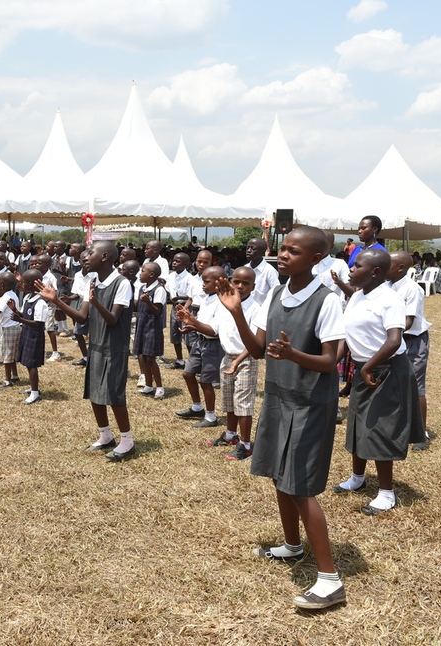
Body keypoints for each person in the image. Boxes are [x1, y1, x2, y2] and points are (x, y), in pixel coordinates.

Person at [216, 226, 347, 611]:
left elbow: (329, 361)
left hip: (309, 402)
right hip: (278, 397)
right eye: (283, 249)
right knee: (279, 473)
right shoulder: (275, 292)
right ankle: (292, 545)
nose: (284, 256)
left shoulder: (327, 301)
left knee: (300, 484)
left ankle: (330, 581)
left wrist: (293, 356)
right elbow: (257, 349)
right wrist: (237, 313)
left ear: (317, 259)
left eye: (294, 251)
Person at [334, 249, 424, 515]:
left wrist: (369, 366)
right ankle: (357, 477)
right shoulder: (357, 295)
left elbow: (394, 340)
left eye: (357, 265)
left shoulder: (390, 299)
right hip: (365, 368)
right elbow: (344, 334)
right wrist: (332, 363)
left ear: (374, 272)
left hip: (386, 369)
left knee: (380, 427)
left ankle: (386, 492)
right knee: (358, 422)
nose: (350, 269)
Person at [39, 241, 135, 462]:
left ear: (104, 257)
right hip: (97, 345)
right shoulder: (93, 281)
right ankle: (105, 435)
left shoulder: (122, 283)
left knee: (114, 395)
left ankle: (127, 441)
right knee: (95, 392)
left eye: (91, 253)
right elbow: (82, 317)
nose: (85, 257)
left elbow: (112, 320)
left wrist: (95, 302)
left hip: (114, 346)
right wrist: (57, 301)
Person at [181, 266, 260, 461]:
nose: (240, 286)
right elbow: (213, 330)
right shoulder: (224, 304)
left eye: (246, 283)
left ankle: (246, 445)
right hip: (228, 357)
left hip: (245, 359)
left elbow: (256, 344)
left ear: (254, 286)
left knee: (243, 403)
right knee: (229, 400)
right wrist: (193, 322)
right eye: (236, 282)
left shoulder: (256, 308)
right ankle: (230, 435)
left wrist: (238, 362)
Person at [387, 251, 433, 450]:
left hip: (412, 340)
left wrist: (386, 329)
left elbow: (408, 320)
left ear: (401, 268)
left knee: (416, 385)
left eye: (388, 263)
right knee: (394, 383)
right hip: (393, 340)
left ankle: (421, 432)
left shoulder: (412, 289)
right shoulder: (386, 286)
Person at [175, 266, 225, 428]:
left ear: (218, 283)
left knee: (206, 381)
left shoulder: (223, 302)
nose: (202, 284)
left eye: (206, 281)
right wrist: (192, 325)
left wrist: (193, 322)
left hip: (213, 344)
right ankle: (197, 407)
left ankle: (211, 417)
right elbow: (203, 324)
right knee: (188, 374)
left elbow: (214, 331)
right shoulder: (206, 298)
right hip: (200, 341)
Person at [13, 269, 49, 405]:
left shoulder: (40, 302)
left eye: (24, 282)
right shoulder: (28, 297)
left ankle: (35, 393)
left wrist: (20, 320)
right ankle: (33, 387)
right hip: (26, 333)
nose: (21, 284)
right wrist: (15, 311)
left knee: (32, 364)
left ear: (34, 285)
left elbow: (38, 323)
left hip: (34, 336)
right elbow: (23, 315)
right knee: (27, 362)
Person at [134, 262, 167, 400]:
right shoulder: (142, 287)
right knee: (142, 355)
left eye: (142, 271)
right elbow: (136, 306)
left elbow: (157, 311)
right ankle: (148, 385)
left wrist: (148, 302)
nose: (140, 274)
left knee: (150, 358)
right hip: (142, 324)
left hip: (152, 326)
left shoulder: (159, 290)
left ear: (151, 275)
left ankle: (159, 387)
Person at [165, 252, 195, 370]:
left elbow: (191, 296)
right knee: (175, 333)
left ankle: (192, 362)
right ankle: (179, 360)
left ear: (186, 264)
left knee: (187, 336)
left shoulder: (189, 278)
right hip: (175, 307)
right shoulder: (171, 276)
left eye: (178, 261)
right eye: (174, 260)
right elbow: (168, 289)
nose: (174, 263)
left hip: (186, 307)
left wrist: (180, 299)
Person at [69, 250, 92, 367]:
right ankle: (85, 357)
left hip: (93, 305)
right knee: (78, 332)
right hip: (82, 305)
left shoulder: (96, 275)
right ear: (80, 261)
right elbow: (76, 294)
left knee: (94, 334)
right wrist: (68, 298)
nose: (86, 263)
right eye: (84, 261)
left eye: (88, 260)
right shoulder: (78, 275)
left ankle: (94, 358)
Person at [246, 237, 280, 307]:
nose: (249, 251)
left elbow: (276, 292)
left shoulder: (269, 270)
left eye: (253, 248)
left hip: (262, 309)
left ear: (262, 251)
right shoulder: (245, 268)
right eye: (248, 248)